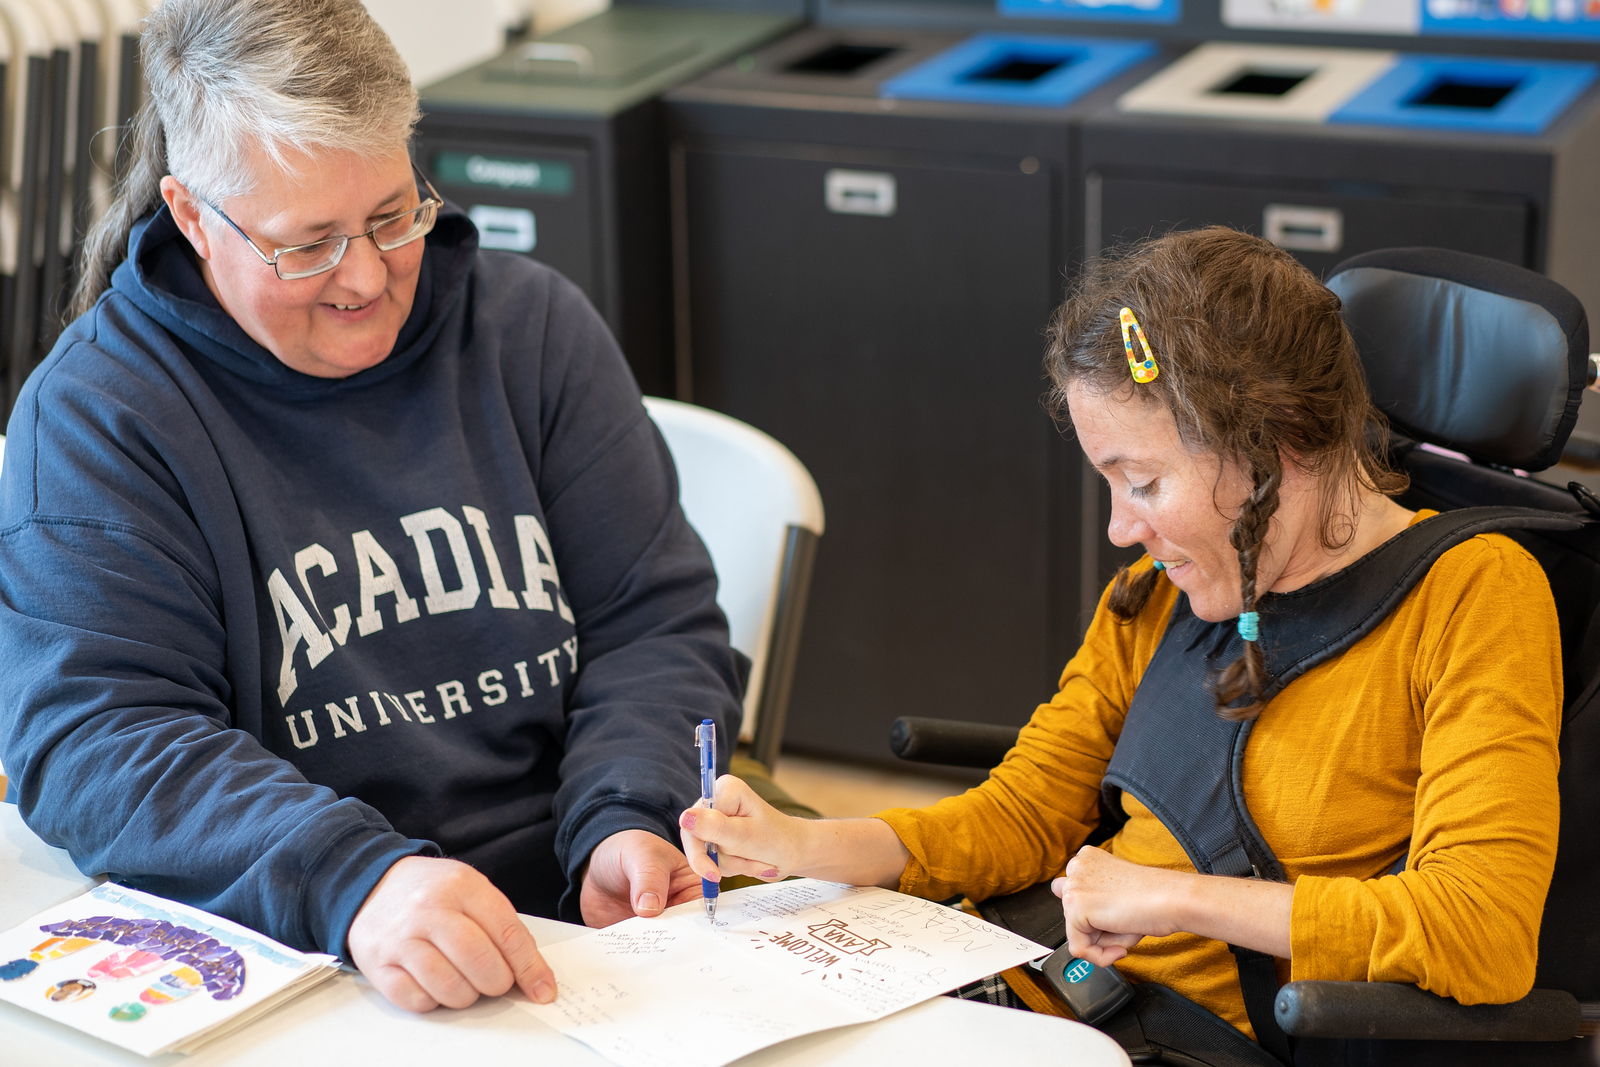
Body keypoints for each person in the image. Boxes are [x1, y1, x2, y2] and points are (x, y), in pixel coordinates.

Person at [0, 0, 743, 1014]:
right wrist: (358, 878)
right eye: (305, 245)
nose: (365, 276)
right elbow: (99, 736)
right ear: (189, 215)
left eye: (393, 216)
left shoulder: (529, 331)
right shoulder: (103, 416)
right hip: (312, 939)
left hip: (590, 915)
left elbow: (654, 622)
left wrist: (628, 813)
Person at [678, 227, 1562, 1049]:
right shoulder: (1159, 592)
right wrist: (801, 848)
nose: (1118, 530)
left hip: (1179, 1041)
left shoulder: (1473, 594)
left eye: (1141, 481)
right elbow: (1023, 815)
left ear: (1279, 443)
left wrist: (1175, 897)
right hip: (1039, 994)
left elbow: (1479, 933)